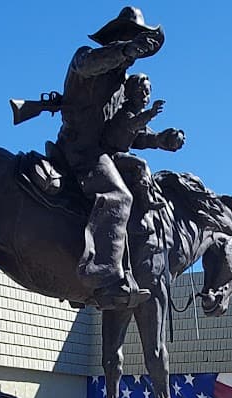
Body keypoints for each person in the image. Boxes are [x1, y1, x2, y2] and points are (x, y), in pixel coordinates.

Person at [54, 6, 165, 310]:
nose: (137, 46)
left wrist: (158, 140)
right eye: (132, 37)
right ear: (118, 36)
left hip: (103, 151)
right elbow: (89, 65)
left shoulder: (121, 84)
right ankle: (103, 277)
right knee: (119, 197)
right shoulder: (87, 56)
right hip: (80, 149)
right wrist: (125, 51)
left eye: (139, 39)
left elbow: (120, 130)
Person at [103, 73, 185, 276]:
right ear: (130, 93)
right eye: (141, 91)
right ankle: (146, 199)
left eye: (147, 92)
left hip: (120, 158)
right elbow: (132, 126)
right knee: (140, 164)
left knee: (140, 166)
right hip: (109, 157)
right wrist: (151, 113)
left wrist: (165, 140)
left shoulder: (136, 117)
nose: (145, 96)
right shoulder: (124, 114)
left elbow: (145, 138)